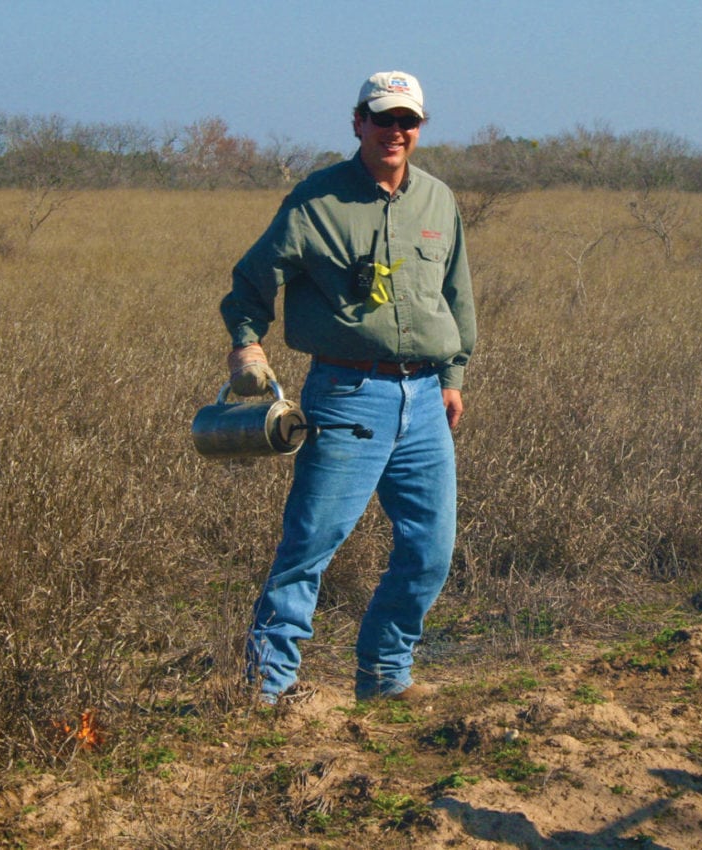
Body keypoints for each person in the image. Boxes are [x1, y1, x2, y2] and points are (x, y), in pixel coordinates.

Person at [219, 71, 475, 704]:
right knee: (310, 545)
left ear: (420, 127)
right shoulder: (316, 201)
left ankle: (386, 676)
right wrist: (247, 344)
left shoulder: (439, 201)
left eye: (407, 121)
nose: (395, 131)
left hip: (424, 401)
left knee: (430, 551)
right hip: (347, 395)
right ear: (357, 121)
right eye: (382, 118)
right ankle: (266, 690)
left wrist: (453, 375)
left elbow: (455, 294)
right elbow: (252, 281)